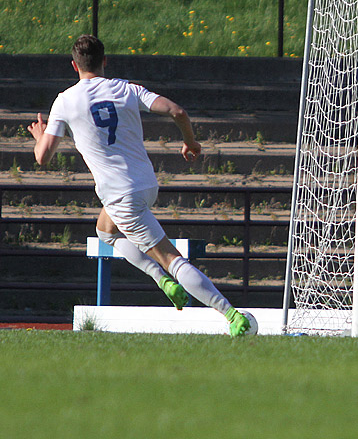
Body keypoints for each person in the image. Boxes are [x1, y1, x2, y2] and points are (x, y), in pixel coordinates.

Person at [28, 35, 253, 337]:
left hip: (121, 195)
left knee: (170, 258)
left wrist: (40, 135)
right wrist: (190, 141)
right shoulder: (126, 88)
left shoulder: (65, 101)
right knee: (105, 231)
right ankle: (163, 280)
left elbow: (43, 157)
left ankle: (232, 315)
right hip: (146, 185)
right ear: (104, 61)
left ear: (74, 65)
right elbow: (178, 111)